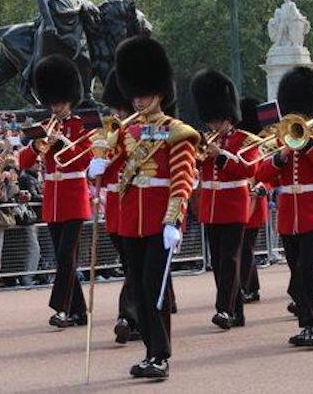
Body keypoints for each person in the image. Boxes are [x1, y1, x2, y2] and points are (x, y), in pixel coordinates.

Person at [102, 37, 198, 379]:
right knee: (140, 289)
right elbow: (110, 167)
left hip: (160, 221)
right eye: (136, 94)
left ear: (159, 92)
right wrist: (97, 166)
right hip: (130, 222)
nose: (139, 99)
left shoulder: (179, 133)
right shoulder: (126, 135)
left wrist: (174, 220)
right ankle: (149, 353)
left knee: (155, 288)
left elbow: (183, 179)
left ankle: (160, 356)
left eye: (145, 93)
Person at [255, 67, 313, 347]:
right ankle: (305, 322)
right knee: (296, 269)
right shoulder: (282, 138)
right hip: (289, 213)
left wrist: (310, 144)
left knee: (308, 266)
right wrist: (281, 156)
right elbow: (262, 172)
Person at [19, 55, 92, 328]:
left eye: (59, 101)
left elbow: (86, 159)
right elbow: (23, 163)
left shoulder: (81, 125)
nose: (56, 106)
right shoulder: (46, 125)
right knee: (66, 258)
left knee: (65, 255)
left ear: (70, 99)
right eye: (52, 101)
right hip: (53, 198)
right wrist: (38, 145)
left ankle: (61, 308)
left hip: (74, 197)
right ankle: (79, 312)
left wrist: (62, 142)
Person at [190, 68, 257, 331]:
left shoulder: (244, 139)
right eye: (211, 121)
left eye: (217, 121)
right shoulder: (204, 140)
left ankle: (224, 310)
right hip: (211, 206)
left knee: (230, 260)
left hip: (234, 204)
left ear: (228, 116)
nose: (213, 126)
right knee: (218, 263)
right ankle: (236, 312)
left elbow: (249, 168)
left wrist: (220, 156)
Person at [94, 69, 141, 343]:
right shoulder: (110, 134)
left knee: (134, 266)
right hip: (115, 209)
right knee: (130, 266)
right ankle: (136, 317)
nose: (118, 114)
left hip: (136, 208)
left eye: (121, 109)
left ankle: (127, 316)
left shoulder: (142, 133)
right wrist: (96, 166)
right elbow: (105, 174)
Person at [238, 97, 268, 303]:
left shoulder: (260, 146)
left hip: (254, 202)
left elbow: (269, 174)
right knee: (243, 247)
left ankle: (249, 287)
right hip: (241, 200)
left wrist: (263, 187)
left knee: (246, 247)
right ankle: (249, 286)